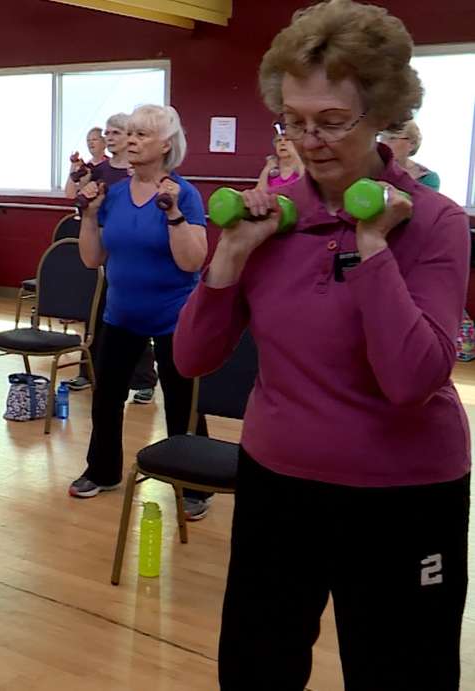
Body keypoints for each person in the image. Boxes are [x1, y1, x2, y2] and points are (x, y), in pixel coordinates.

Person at [174, 2, 469, 687]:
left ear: (384, 113)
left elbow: (412, 377)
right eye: (294, 121)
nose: (311, 140)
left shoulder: (434, 221)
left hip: (404, 494)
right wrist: (229, 261)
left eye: (334, 121)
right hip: (279, 484)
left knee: (402, 674)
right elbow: (192, 359)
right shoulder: (271, 215)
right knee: (255, 667)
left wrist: (371, 246)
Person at [71, 104, 212, 518]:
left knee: (183, 404)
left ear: (166, 145)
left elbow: (193, 262)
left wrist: (173, 214)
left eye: (142, 135)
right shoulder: (112, 195)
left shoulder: (184, 194)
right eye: (129, 133)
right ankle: (102, 471)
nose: (130, 140)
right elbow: (91, 259)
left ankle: (193, 484)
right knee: (107, 397)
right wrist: (90, 217)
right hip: (121, 314)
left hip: (173, 316)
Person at [65, 113, 158, 403]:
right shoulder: (101, 170)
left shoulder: (136, 172)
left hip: (129, 254)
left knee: (133, 318)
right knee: (96, 315)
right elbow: (74, 195)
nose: (112, 137)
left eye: (117, 132)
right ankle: (89, 369)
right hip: (101, 249)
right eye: (109, 133)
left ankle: (144, 379)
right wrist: (76, 173)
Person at [381, 120, 441, 190]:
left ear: (412, 144)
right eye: (382, 137)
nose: (384, 143)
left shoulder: (426, 177)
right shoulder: (374, 167)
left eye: (392, 138)